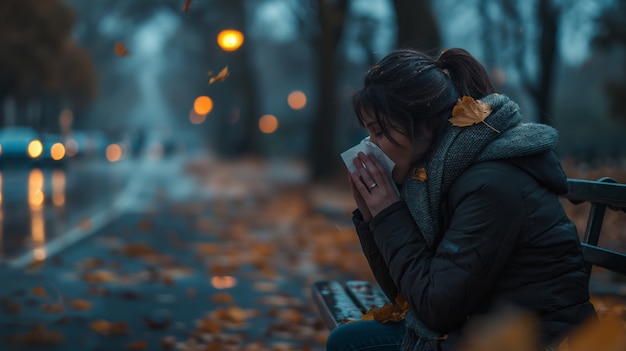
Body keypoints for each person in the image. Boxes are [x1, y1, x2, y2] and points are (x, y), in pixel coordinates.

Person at [326, 48, 597, 351]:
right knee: (348, 340)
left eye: (379, 131)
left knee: (348, 345)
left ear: (425, 124)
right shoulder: (438, 177)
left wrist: (389, 214)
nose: (369, 146)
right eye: (368, 133)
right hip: (477, 327)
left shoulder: (490, 185)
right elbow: (406, 296)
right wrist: (373, 218)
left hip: (529, 340)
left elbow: (436, 309)